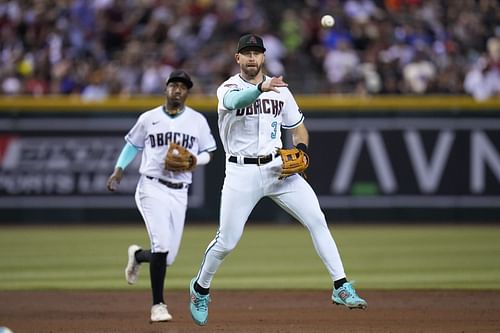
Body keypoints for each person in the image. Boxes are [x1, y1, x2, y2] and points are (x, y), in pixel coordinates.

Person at [188, 34, 367, 326]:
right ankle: (200, 288)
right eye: (246, 53)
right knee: (227, 242)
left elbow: (299, 130)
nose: (251, 58)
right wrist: (261, 88)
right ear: (237, 59)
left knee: (317, 220)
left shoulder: (280, 90)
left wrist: (302, 151)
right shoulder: (228, 87)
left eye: (256, 53)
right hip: (241, 172)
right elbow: (234, 102)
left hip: (278, 169)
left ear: (263, 57)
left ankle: (341, 285)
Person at [106, 69, 217, 323]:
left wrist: (194, 160)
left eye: (183, 86)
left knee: (167, 257)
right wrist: (119, 170)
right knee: (163, 247)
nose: (178, 90)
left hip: (180, 192)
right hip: (152, 187)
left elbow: (210, 152)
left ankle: (137, 256)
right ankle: (158, 306)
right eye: (174, 85)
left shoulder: (197, 121)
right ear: (166, 89)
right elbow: (132, 145)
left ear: (188, 92)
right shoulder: (149, 118)